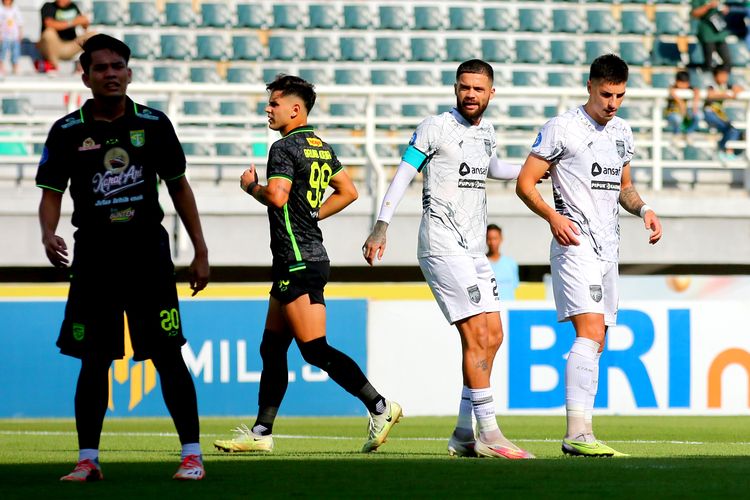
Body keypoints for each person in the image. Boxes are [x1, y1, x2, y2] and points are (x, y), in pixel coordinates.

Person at [36, 34, 209, 481]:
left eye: (118, 66)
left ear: (129, 73)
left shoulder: (153, 124)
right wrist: (47, 233)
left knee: (168, 355)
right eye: (101, 68)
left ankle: (192, 455)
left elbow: (179, 187)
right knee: (94, 359)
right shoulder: (67, 131)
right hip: (93, 258)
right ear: (86, 75)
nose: (111, 73)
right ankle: (88, 459)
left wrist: (199, 249)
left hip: (146, 256)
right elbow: (51, 193)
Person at [213, 75, 401, 455]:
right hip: (304, 257)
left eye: (275, 102)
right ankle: (261, 432)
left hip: (297, 260)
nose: (269, 108)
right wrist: (314, 213)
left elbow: (278, 197)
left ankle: (380, 406)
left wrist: (250, 186)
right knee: (272, 348)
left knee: (314, 349)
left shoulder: (282, 147)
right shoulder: (319, 146)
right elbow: (348, 191)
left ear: (295, 109)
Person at [362, 59, 534, 460]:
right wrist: (381, 226)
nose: (470, 94)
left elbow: (492, 169)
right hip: (442, 244)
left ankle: (462, 432)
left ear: (492, 93)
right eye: (464, 87)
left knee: (493, 335)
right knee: (476, 333)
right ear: (456, 88)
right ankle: (489, 433)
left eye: (478, 88)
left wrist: (536, 169)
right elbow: (403, 174)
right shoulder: (434, 127)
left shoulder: (487, 133)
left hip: (473, 249)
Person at [516, 54, 663, 457]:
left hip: (608, 249)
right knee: (591, 334)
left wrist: (645, 209)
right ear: (589, 87)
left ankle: (583, 432)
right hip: (574, 244)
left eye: (619, 96)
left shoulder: (623, 133)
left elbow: (624, 186)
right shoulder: (561, 128)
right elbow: (525, 183)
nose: (612, 103)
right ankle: (576, 434)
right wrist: (552, 217)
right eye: (605, 95)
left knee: (599, 341)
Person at [37, 0, 90, 73]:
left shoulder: (73, 6)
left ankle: (87, 65)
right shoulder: (48, 6)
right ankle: (53, 65)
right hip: (53, 47)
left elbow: (84, 25)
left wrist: (85, 21)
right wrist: (72, 22)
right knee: (49, 33)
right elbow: (49, 24)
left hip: (70, 45)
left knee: (93, 36)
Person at [703, 64, 742, 161]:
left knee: (733, 131)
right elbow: (710, 95)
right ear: (715, 76)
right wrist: (725, 95)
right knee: (729, 128)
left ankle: (724, 150)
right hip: (710, 114)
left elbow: (739, 89)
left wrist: (735, 91)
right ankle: (723, 150)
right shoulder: (712, 86)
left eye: (726, 75)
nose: (724, 78)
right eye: (721, 75)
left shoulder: (726, 86)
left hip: (720, 116)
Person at [691, 0, 732, 71]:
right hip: (707, 33)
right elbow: (694, 13)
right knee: (708, 63)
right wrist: (709, 6)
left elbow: (724, 7)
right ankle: (708, 79)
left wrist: (725, 9)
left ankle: (720, 78)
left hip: (719, 33)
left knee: (727, 62)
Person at [486, 224, 520, 301]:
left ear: (501, 239)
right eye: (489, 239)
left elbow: (515, 287)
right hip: (490, 311)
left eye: (495, 238)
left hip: (508, 309)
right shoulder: (481, 264)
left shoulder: (511, 263)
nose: (492, 242)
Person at [664, 70, 701, 137]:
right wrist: (680, 102)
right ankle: (676, 135)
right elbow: (671, 90)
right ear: (676, 82)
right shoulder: (673, 88)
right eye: (681, 83)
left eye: (685, 83)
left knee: (698, 116)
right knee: (677, 118)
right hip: (672, 113)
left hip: (684, 114)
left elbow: (696, 90)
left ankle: (688, 133)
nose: (683, 86)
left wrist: (695, 105)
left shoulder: (689, 88)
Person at [0, 0, 23, 75]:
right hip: (4, 35)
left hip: (14, 35)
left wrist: (20, 34)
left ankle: (15, 66)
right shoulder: (1, 9)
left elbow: (20, 22)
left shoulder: (15, 9)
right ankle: (1, 66)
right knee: (2, 51)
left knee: (15, 51)